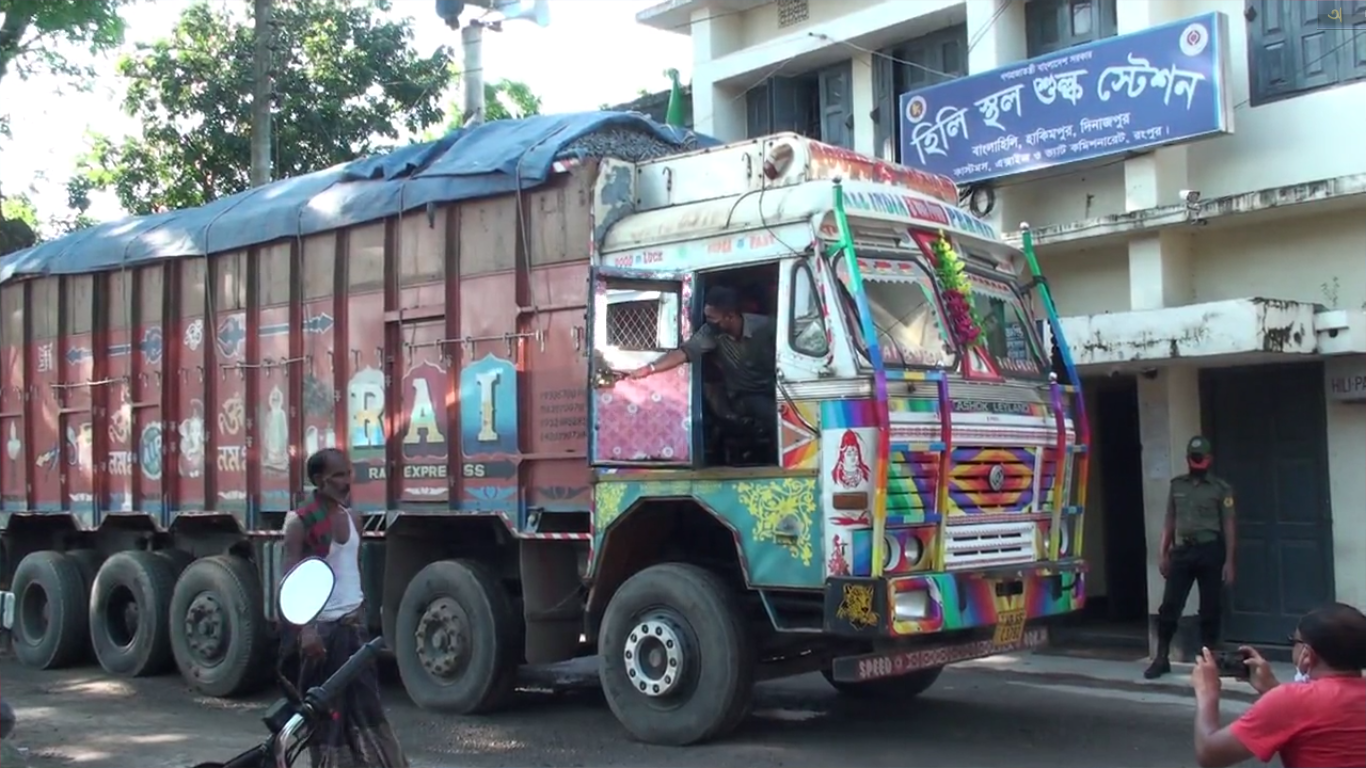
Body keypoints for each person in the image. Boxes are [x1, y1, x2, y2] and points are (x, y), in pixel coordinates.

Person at [282, 448, 408, 768]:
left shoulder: (354, 519)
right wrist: (306, 631)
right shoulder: (299, 522)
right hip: (323, 636)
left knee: (368, 710)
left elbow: (353, 571)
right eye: (338, 475)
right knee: (327, 717)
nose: (346, 481)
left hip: (355, 629)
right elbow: (290, 581)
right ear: (318, 480)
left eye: (347, 473)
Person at [1190, 602, 1366, 768]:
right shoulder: (1292, 701)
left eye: (1294, 641)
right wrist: (1271, 688)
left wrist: (1207, 693)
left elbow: (1210, 754)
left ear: (1307, 654)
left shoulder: (1291, 700)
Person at [1145, 435, 1237, 679]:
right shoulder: (1178, 486)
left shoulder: (1220, 489)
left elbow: (1228, 525)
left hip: (1210, 550)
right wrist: (1162, 552)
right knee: (1170, 606)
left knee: (1210, 608)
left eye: (1201, 457)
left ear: (1209, 459)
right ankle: (1161, 657)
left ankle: (1208, 662)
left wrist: (1229, 560)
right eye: (1193, 457)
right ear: (1188, 459)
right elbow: (1170, 520)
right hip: (1183, 552)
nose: (1197, 462)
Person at [629, 285, 777, 432]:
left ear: (730, 316)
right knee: (774, 416)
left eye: (713, 318)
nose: (708, 322)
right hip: (745, 396)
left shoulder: (766, 327)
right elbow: (684, 353)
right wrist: (650, 368)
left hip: (777, 390)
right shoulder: (710, 332)